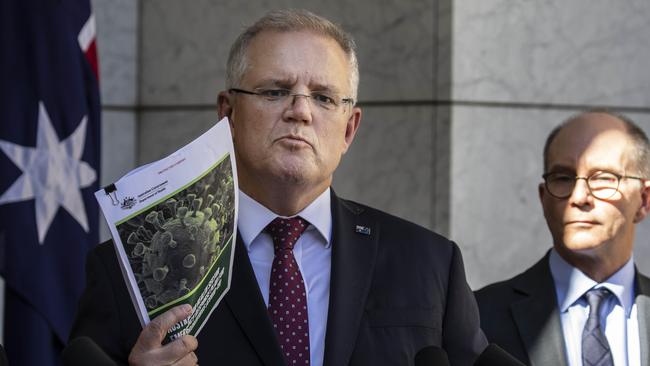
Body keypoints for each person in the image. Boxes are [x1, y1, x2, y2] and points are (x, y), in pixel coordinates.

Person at [69, 9, 487, 366]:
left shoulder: (430, 263)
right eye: (275, 91)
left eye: (324, 98)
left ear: (349, 129)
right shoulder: (128, 270)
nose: (300, 111)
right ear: (227, 115)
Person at [475, 111, 650, 366]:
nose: (578, 196)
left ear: (644, 201)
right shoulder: (479, 317)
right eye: (563, 178)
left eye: (602, 178)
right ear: (543, 198)